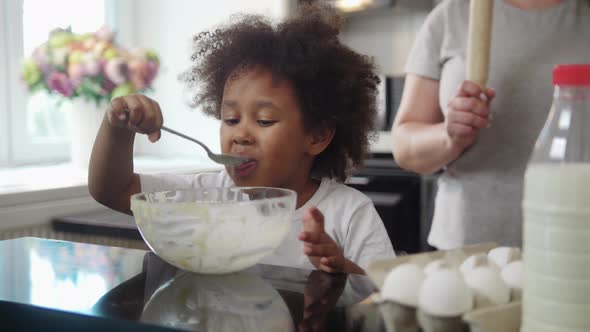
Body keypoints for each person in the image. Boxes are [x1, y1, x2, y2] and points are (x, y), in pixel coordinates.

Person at [89, 3, 395, 274]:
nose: (241, 134)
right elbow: (112, 189)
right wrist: (117, 129)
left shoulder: (348, 211)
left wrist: (342, 267)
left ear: (316, 136)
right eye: (230, 119)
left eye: (264, 120)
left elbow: (385, 290)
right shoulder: (205, 196)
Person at [392, 0, 590, 249]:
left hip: (575, 242)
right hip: (469, 247)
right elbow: (404, 148)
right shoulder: (452, 15)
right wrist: (449, 136)